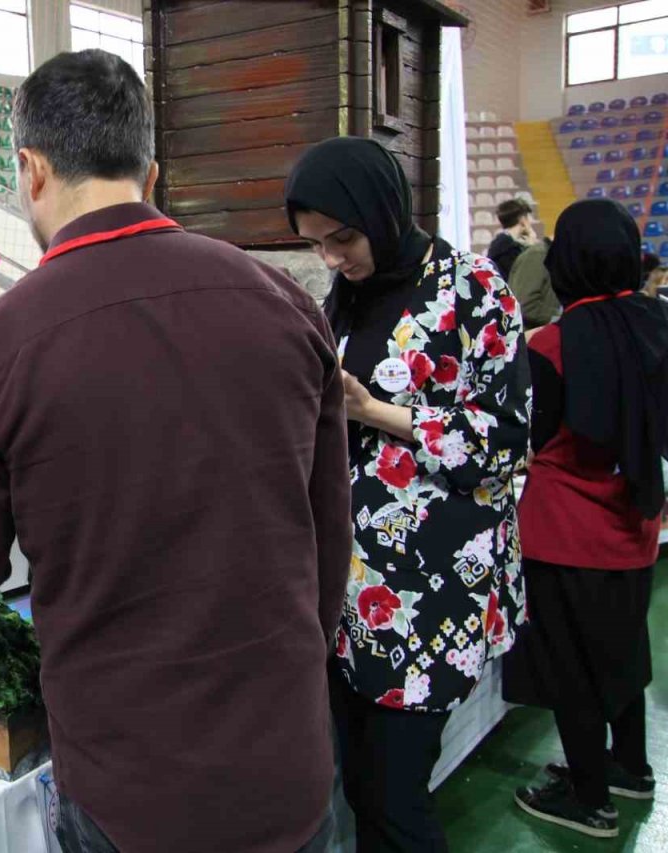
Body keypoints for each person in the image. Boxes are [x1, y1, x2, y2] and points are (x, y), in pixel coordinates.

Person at [0, 49, 351, 853]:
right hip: (286, 760)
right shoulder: (285, 302)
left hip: (131, 787)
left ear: (31, 170)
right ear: (152, 169)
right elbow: (327, 540)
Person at [285, 137, 531, 853]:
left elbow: (506, 443)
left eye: (344, 238)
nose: (332, 257)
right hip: (351, 588)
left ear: (384, 211)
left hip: (433, 591)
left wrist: (381, 413)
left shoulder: (473, 287)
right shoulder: (348, 298)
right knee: (361, 785)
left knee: (394, 798)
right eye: (316, 244)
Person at [506, 199, 666, 838]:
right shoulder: (655, 323)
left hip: (566, 532)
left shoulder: (553, 343)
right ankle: (630, 767)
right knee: (625, 652)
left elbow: (530, 438)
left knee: (570, 670)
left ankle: (588, 799)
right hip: (635, 527)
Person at [488, 197, 537, 279]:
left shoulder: (502, 242)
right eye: (528, 218)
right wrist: (531, 245)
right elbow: (525, 274)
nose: (530, 222)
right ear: (523, 220)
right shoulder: (507, 246)